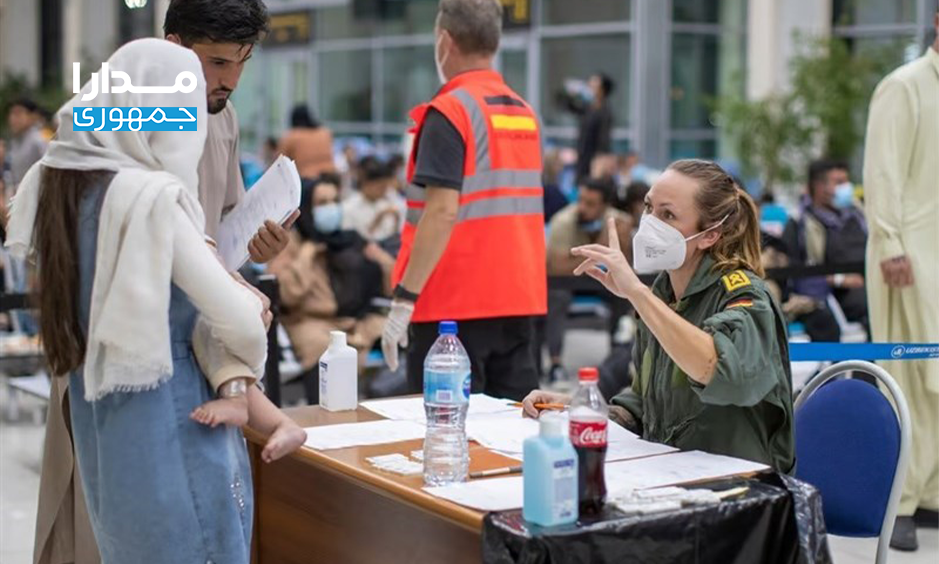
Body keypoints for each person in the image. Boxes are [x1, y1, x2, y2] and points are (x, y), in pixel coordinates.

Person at [6, 38, 275, 564]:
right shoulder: (150, 199)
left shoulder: (53, 187)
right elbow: (239, 320)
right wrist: (251, 344)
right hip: (177, 417)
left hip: (103, 423)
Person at [523, 159, 795, 473]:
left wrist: (637, 294)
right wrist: (575, 407)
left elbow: (718, 369)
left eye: (668, 215)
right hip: (671, 475)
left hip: (741, 489)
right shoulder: (663, 296)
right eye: (650, 208)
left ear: (709, 235)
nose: (650, 222)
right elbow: (643, 408)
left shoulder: (744, 295)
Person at [381, 0, 546, 401]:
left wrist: (404, 300)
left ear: (445, 41)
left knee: (449, 435)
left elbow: (440, 210)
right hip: (517, 302)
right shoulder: (522, 113)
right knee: (513, 438)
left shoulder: (449, 111)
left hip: (451, 310)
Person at [863, 9, 939, 550]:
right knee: (910, 374)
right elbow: (882, 169)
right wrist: (889, 242)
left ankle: (931, 493)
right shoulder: (904, 86)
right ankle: (902, 501)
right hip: (908, 254)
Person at [270, 174, 392, 403]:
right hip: (310, 322)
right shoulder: (289, 243)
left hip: (354, 320)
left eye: (335, 201)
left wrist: (382, 261)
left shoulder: (348, 240)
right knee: (321, 351)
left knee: (398, 334)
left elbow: (388, 284)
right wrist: (308, 254)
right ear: (306, 208)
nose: (331, 208)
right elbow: (288, 294)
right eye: (322, 203)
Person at [545, 177, 632, 382]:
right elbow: (556, 268)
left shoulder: (618, 222)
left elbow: (625, 265)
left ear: (604, 207)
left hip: (602, 278)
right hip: (568, 280)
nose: (582, 208)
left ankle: (619, 360)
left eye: (591, 204)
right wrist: (600, 250)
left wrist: (624, 240)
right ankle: (555, 362)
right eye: (581, 200)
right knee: (556, 297)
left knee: (624, 294)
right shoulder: (563, 221)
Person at [782, 159, 868, 337]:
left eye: (846, 181)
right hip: (829, 295)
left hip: (869, 283)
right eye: (839, 182)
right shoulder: (799, 224)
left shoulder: (859, 215)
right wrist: (839, 279)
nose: (847, 188)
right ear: (819, 186)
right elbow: (795, 271)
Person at [341, 155, 406, 242]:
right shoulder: (349, 207)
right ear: (365, 184)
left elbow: (399, 234)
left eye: (386, 186)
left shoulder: (391, 200)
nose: (384, 191)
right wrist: (378, 220)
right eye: (380, 187)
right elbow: (352, 243)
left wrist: (397, 219)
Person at [571, 73, 614, 182]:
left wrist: (600, 160)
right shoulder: (587, 108)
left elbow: (603, 139)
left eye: (594, 86)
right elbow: (569, 107)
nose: (590, 88)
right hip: (582, 157)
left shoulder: (605, 112)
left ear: (602, 90)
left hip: (594, 160)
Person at [277, 104, 337, 180]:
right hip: (331, 176)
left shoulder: (291, 136)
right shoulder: (325, 133)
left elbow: (279, 163)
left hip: (306, 179)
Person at [6, 98, 48, 194]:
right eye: (11, 114)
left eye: (18, 113)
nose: (13, 118)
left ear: (33, 117)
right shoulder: (14, 141)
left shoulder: (39, 140)